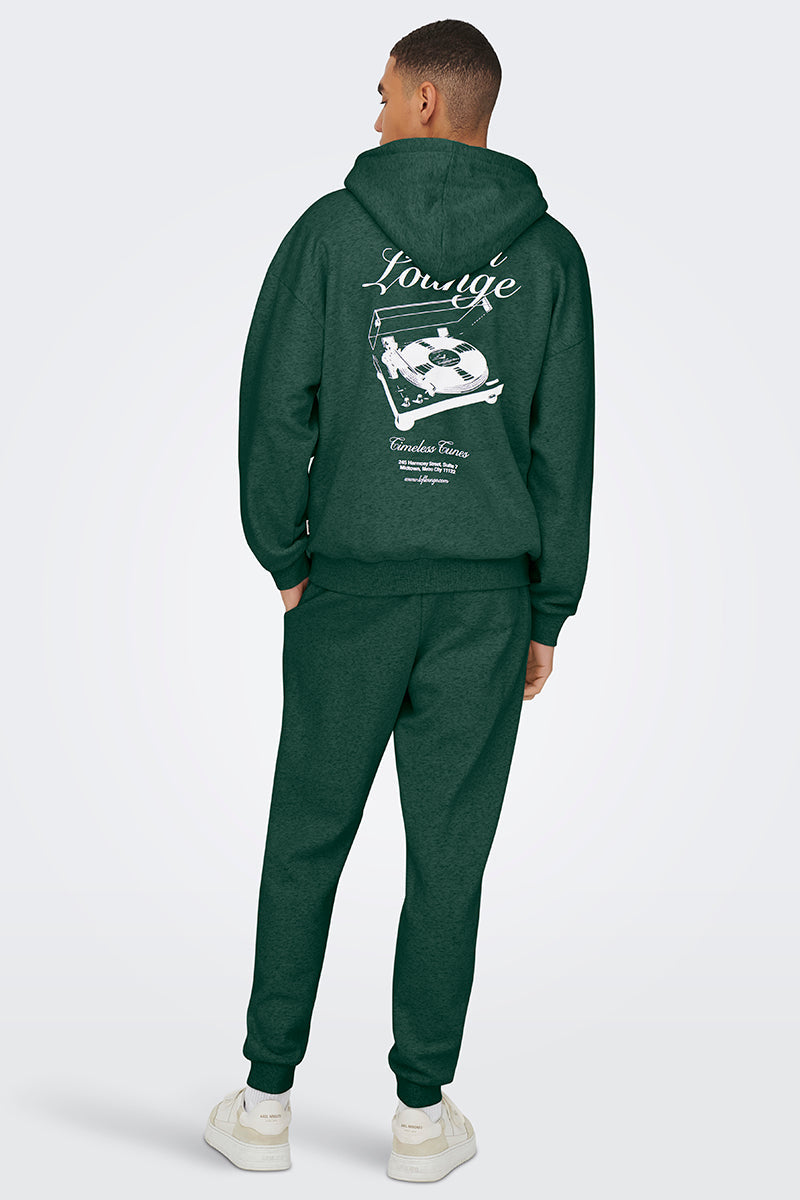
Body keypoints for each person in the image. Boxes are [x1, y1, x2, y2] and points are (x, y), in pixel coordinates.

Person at [203, 17, 595, 1182]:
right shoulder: (550, 257)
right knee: (447, 857)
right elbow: (560, 446)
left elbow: (275, 404)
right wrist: (545, 609)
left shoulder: (329, 234)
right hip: (484, 604)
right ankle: (420, 1121)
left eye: (380, 93)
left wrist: (285, 555)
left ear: (425, 101)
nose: (371, 116)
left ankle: (263, 1105)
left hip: (350, 591)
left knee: (304, 839)